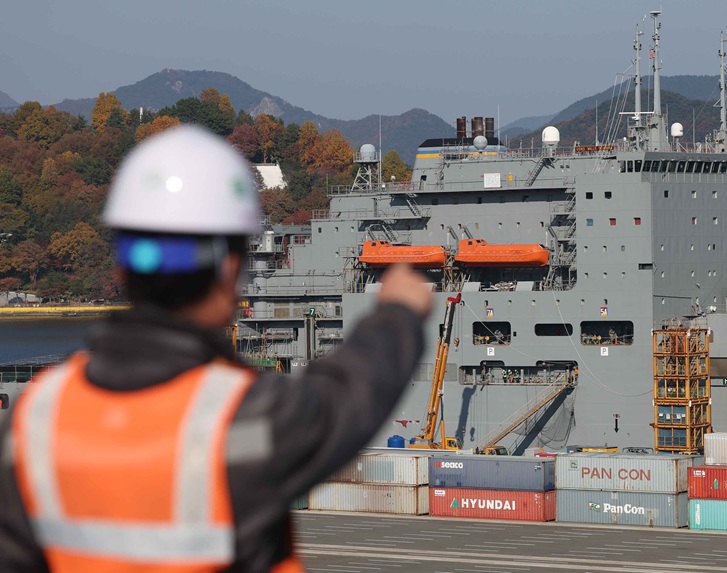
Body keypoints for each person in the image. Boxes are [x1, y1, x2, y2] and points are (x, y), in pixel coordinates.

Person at [0, 125, 432, 571]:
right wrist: (397, 312)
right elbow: (348, 396)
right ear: (230, 269)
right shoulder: (239, 419)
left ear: (123, 267)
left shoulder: (34, 418)